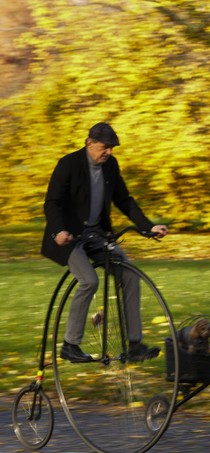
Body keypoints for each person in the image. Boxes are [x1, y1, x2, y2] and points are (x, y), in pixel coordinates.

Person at [42, 122, 168, 363]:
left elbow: (124, 200)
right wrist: (58, 231)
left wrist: (148, 226)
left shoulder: (110, 166)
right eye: (105, 147)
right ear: (89, 143)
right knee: (89, 280)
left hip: (96, 235)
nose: (109, 152)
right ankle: (70, 344)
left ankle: (134, 345)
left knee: (130, 276)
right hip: (68, 236)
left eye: (112, 148)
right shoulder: (69, 163)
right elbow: (52, 202)